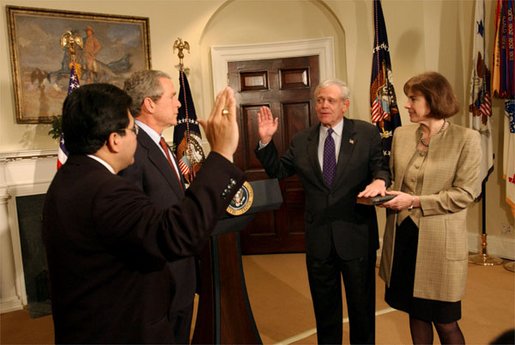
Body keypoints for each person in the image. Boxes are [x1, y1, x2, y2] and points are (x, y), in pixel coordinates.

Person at [42, 83, 243, 344]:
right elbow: (177, 234)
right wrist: (222, 153)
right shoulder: (106, 191)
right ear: (114, 140)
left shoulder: (69, 177)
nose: (137, 137)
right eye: (132, 130)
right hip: (119, 330)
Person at [255, 79, 390, 344]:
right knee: (325, 312)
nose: (323, 105)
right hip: (319, 239)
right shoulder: (302, 139)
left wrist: (380, 181)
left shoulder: (366, 133)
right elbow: (278, 171)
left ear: (345, 105)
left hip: (355, 236)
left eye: (330, 100)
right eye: (319, 100)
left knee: (361, 311)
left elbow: (381, 167)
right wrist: (265, 141)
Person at [379, 71, 481, 344]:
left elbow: (465, 194)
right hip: (404, 237)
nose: (407, 105)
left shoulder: (466, 139)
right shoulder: (401, 134)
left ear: (433, 100)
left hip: (439, 242)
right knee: (416, 313)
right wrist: (379, 189)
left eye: (413, 99)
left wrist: (413, 201)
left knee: (446, 321)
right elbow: (392, 177)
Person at [119, 70, 193, 343]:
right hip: (158, 281)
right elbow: (134, 224)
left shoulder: (162, 144)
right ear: (149, 104)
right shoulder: (133, 150)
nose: (178, 104)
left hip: (180, 273)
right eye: (172, 96)